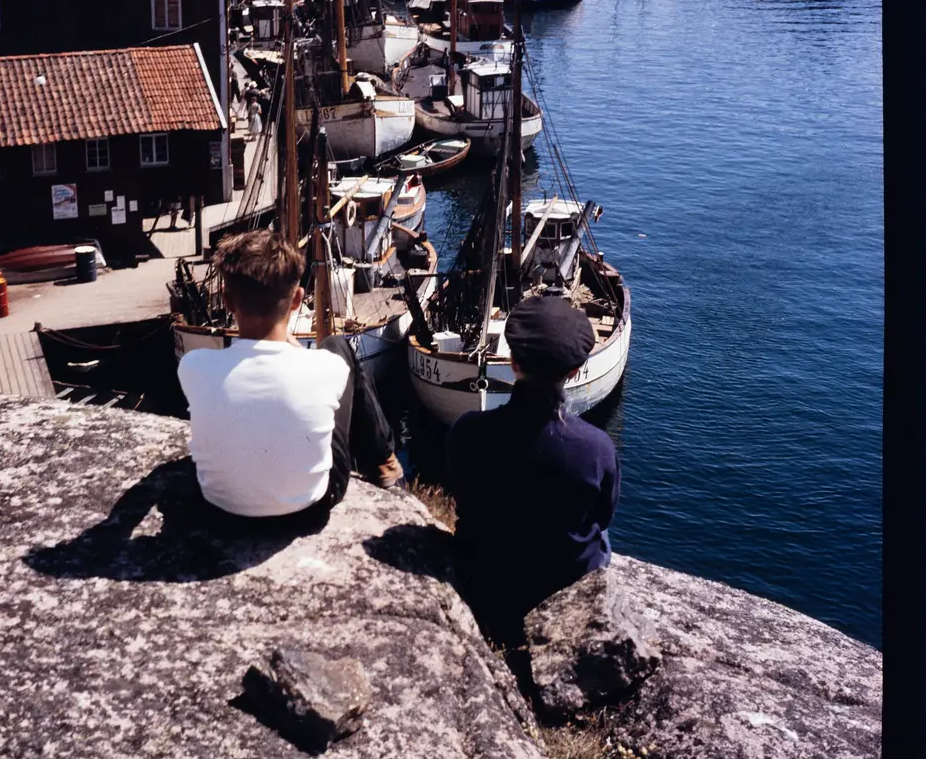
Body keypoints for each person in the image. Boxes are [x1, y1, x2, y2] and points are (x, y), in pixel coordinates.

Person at [177, 229, 404, 531]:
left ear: (228, 302)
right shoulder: (328, 368)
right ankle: (384, 460)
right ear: (297, 299)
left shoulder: (194, 365)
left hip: (221, 509)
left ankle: (384, 461)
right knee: (337, 344)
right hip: (310, 509)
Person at [444, 294, 620, 648]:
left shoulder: (467, 430)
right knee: (601, 536)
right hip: (561, 583)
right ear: (573, 371)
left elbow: (457, 493)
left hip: (483, 573)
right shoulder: (597, 447)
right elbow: (603, 515)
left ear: (512, 362)